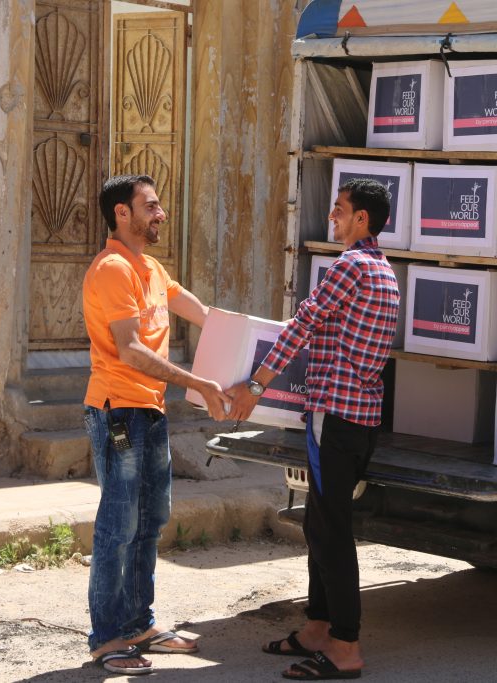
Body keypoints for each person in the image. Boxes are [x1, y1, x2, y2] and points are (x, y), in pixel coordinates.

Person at [227, 178, 400, 680]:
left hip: (335, 416)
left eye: (340, 211)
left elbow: (302, 324)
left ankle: (345, 646)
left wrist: (254, 386)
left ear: (362, 218)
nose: (333, 219)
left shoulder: (350, 266)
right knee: (319, 523)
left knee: (330, 532)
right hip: (359, 417)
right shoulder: (384, 270)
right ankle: (319, 627)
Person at [82, 174, 229, 675]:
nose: (160, 214)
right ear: (122, 213)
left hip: (150, 411)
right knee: (117, 527)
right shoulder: (113, 268)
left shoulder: (153, 269)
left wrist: (271, 343)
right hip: (118, 411)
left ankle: (139, 624)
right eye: (151, 206)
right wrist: (202, 383)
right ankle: (106, 639)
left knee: (150, 522)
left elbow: (206, 315)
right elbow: (131, 350)